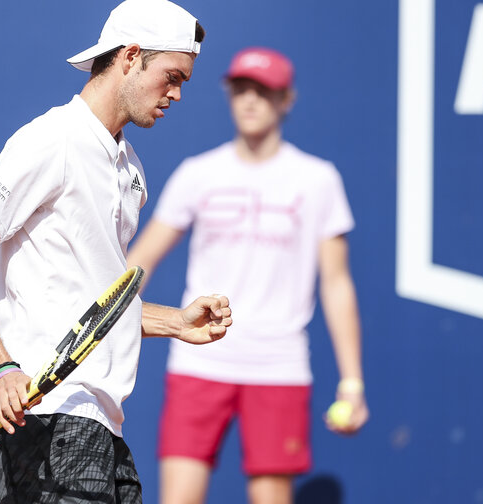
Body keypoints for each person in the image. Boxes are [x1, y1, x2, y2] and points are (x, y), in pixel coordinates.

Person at [0, 1, 233, 502]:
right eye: (171, 76)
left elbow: (92, 306)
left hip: (99, 418)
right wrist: (1, 367)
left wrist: (175, 322)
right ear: (131, 56)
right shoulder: (53, 139)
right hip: (43, 415)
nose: (177, 94)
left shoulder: (129, 170)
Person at [127, 47, 369, 504]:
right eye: (241, 90)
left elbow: (337, 284)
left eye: (264, 91)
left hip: (278, 365)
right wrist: (97, 323)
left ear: (286, 100)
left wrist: (351, 382)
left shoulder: (317, 179)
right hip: (199, 359)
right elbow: (140, 262)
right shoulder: (198, 174)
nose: (251, 101)